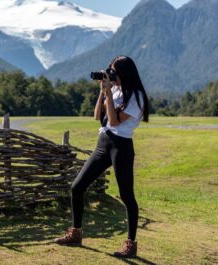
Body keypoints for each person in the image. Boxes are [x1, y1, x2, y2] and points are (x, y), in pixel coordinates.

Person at [53, 56, 149, 258]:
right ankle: (76, 233)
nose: (110, 74)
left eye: (113, 71)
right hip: (103, 143)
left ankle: (131, 244)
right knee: (77, 187)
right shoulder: (114, 89)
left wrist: (108, 93)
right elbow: (98, 116)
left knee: (126, 196)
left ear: (124, 72)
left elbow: (114, 122)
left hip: (121, 146)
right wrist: (102, 91)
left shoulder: (137, 96)